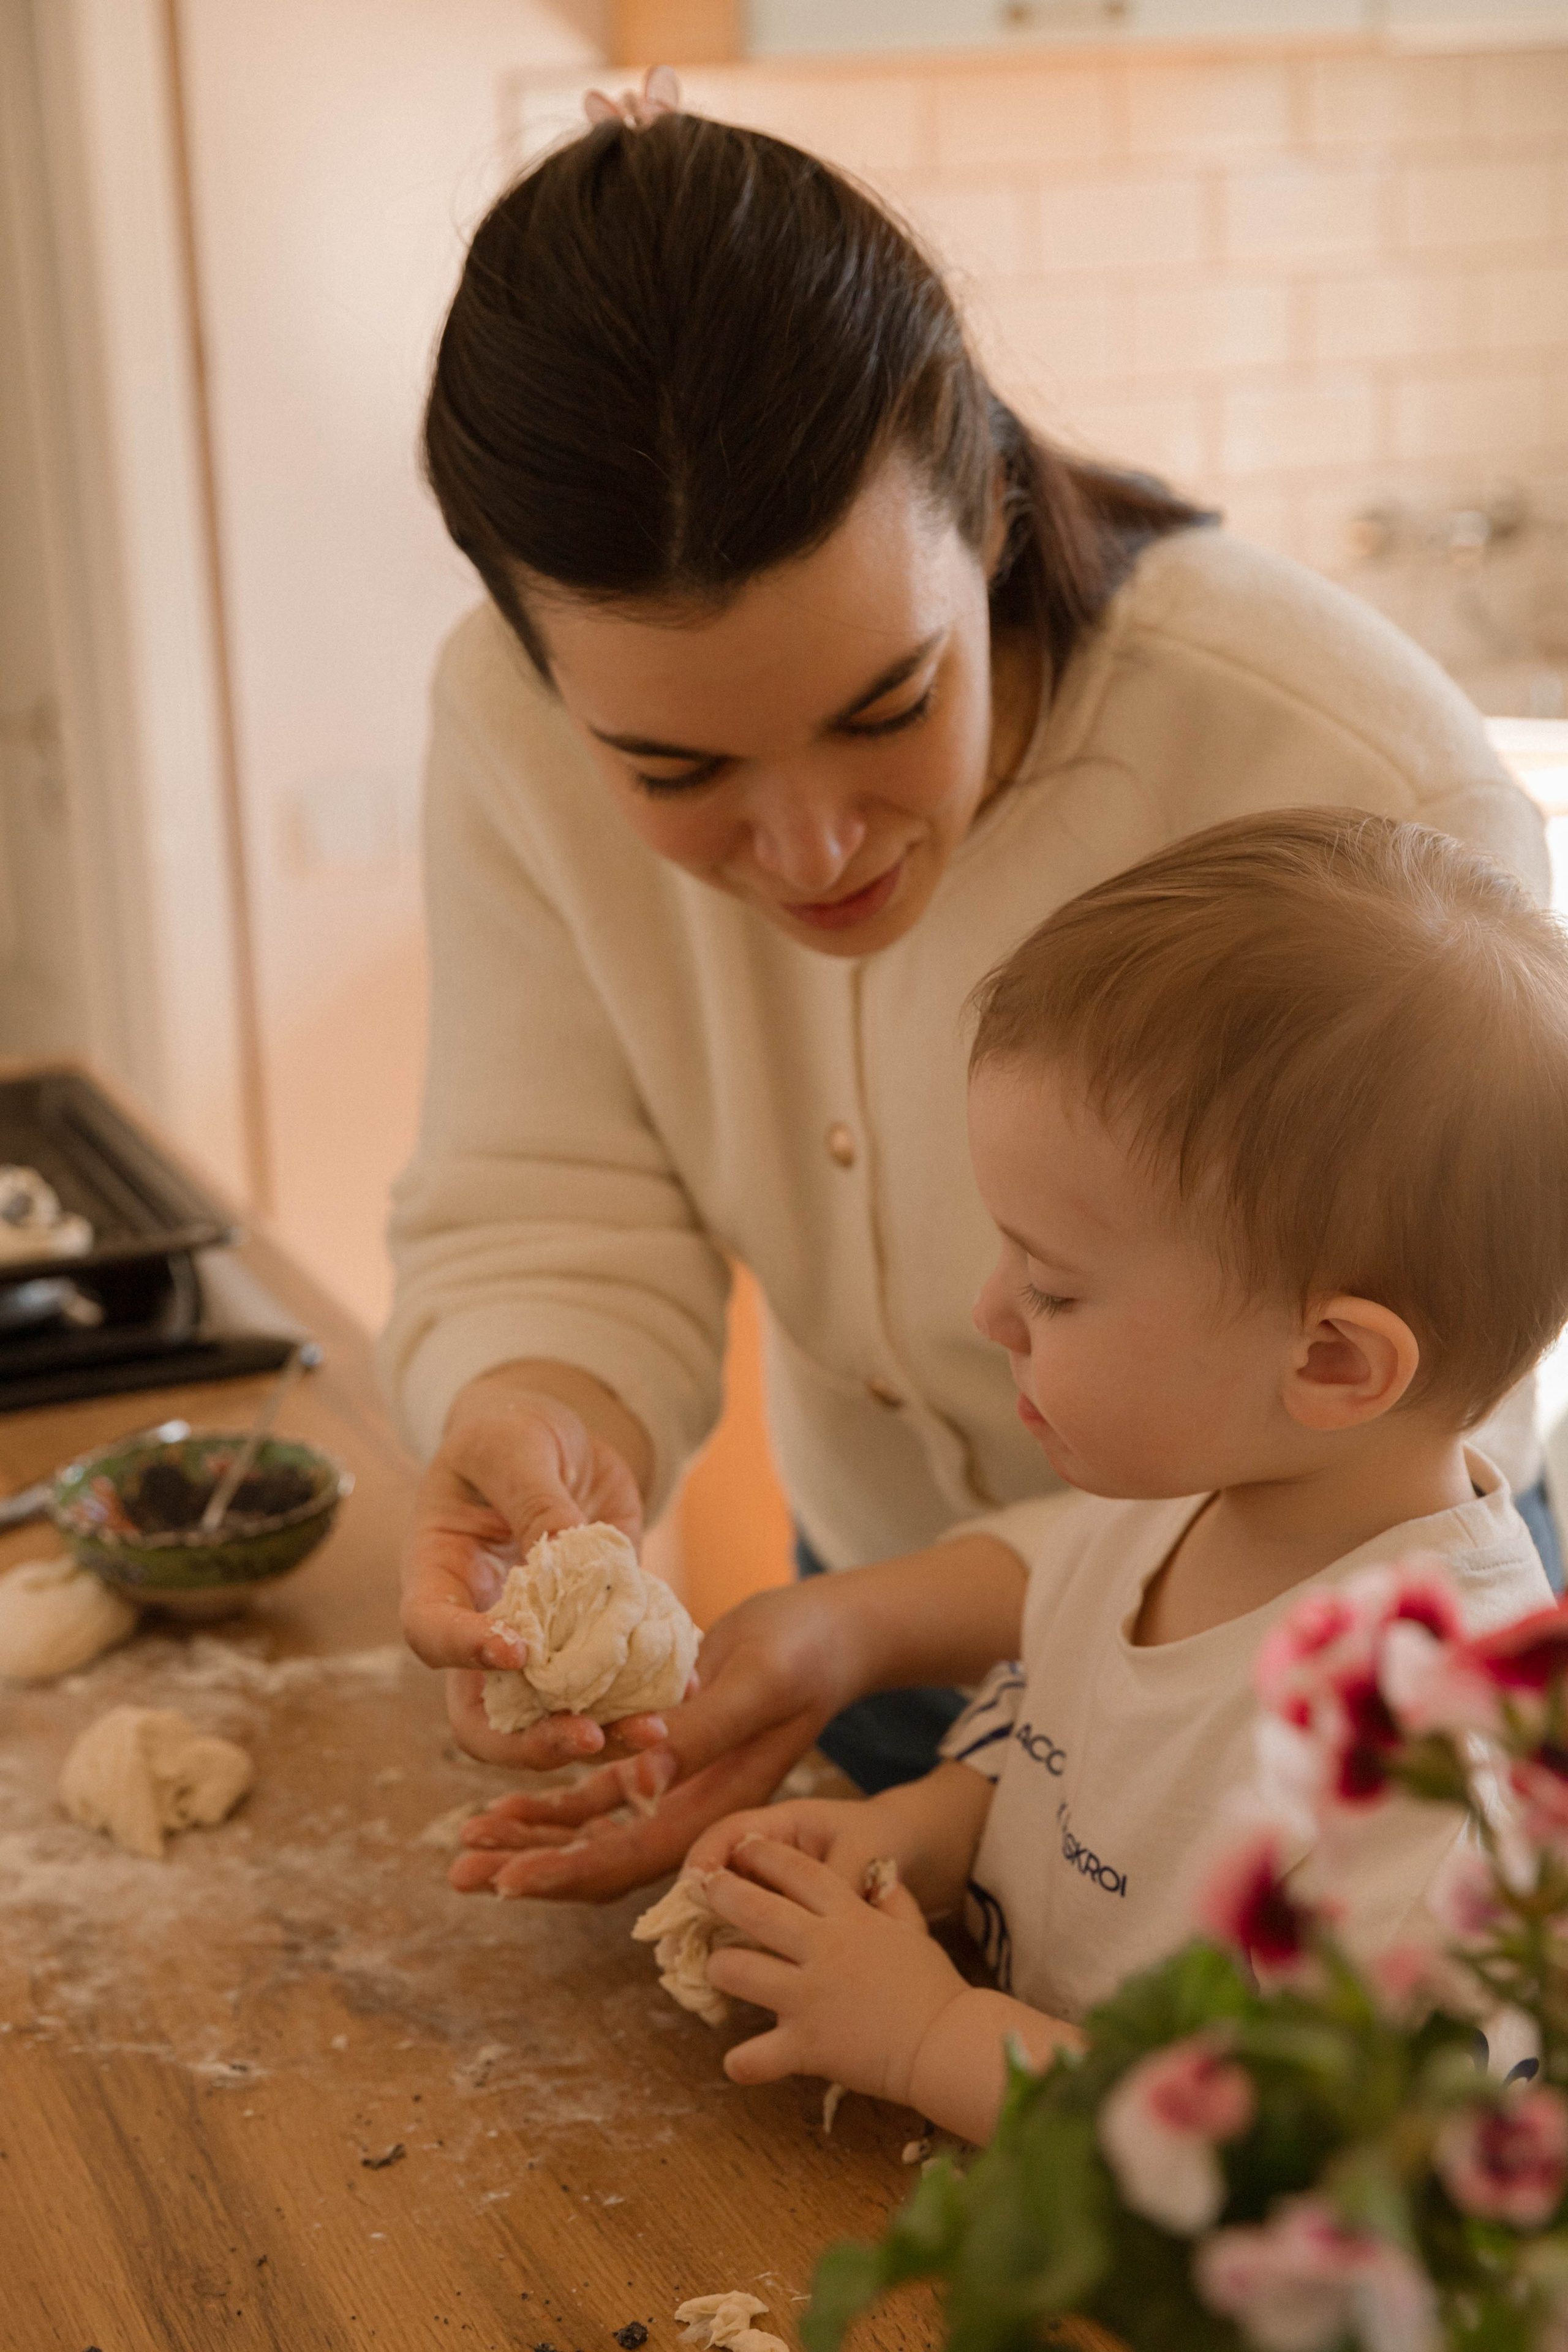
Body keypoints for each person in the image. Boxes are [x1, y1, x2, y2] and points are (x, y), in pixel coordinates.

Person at [385, 73, 1557, 1906]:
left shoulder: (1355, 781)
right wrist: (537, 1424)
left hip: (1291, 1688)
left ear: (992, 507)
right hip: (868, 1654)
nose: (813, 850)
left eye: (888, 708)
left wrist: (874, 1628)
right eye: (678, 776)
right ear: (537, 666)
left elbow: (1433, 1402)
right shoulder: (507, 726)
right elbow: (554, 1199)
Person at [661, 812, 1568, 2145]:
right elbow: (1060, 1739)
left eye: (1055, 1288)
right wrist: (925, 1828)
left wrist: (930, 2036)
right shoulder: (1161, 1511)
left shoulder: (1431, 1766)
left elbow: (1305, 2176)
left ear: (1327, 1361)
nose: (988, 1310)